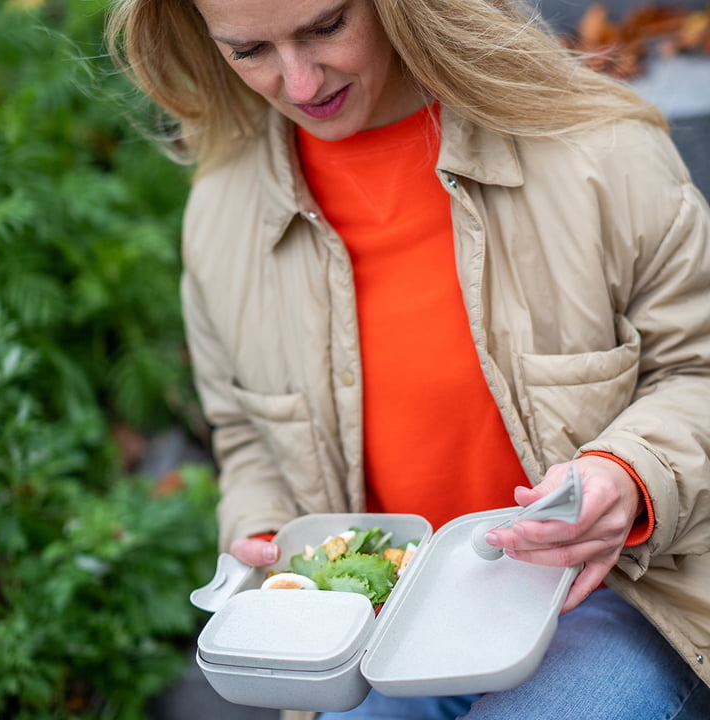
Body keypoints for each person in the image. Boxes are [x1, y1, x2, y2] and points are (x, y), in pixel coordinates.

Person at [106, 0, 710, 718]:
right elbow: (243, 432)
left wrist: (630, 476)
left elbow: (696, 367)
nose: (300, 84)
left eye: (326, 28)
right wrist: (266, 538)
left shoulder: (596, 151)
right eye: (248, 51)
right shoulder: (221, 216)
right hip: (387, 623)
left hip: (623, 590)